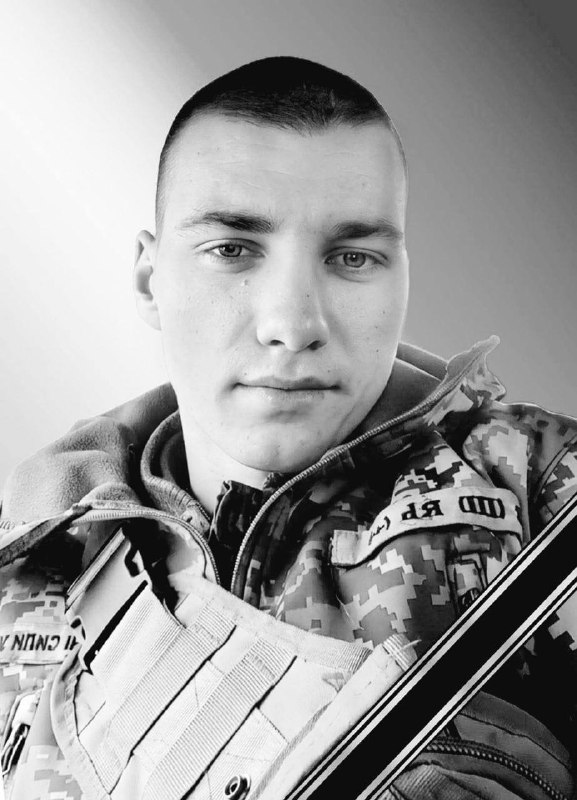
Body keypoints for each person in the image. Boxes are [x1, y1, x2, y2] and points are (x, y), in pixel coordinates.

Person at [1, 56, 576, 800]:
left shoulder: (542, 494)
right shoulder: (34, 562)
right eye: (232, 249)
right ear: (149, 278)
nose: (293, 323)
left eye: (352, 257)